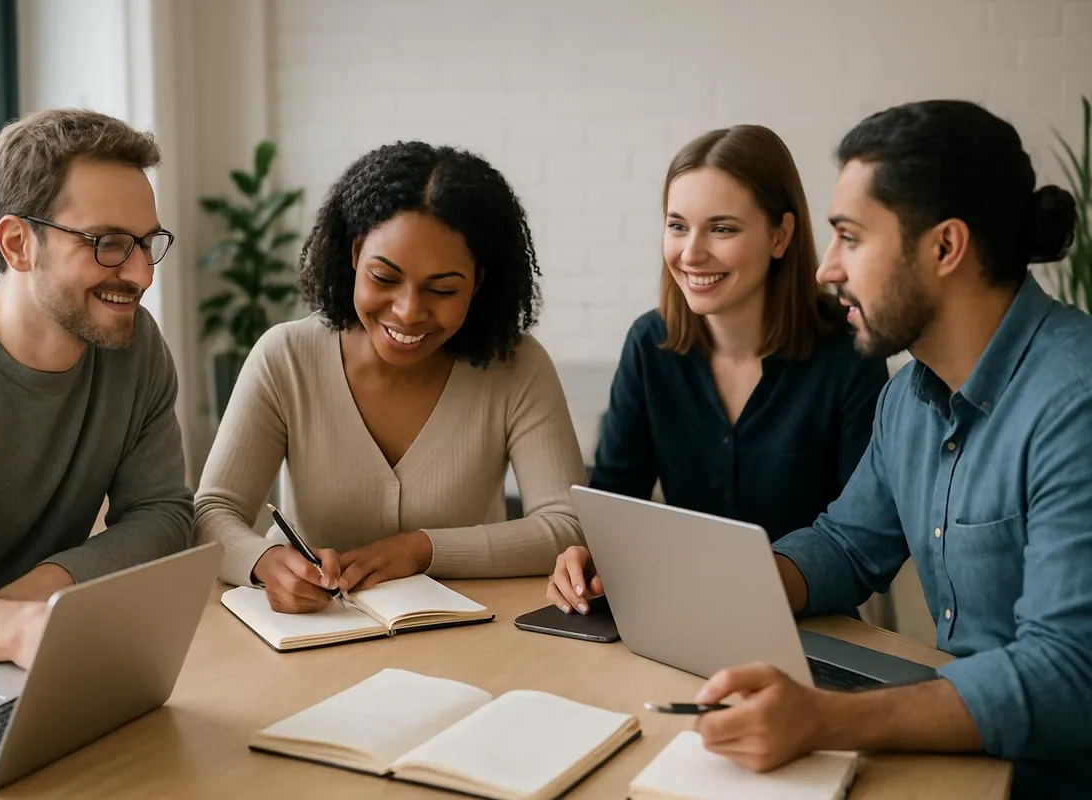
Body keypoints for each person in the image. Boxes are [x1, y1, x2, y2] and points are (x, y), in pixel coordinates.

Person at [690, 100, 1088, 799]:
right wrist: (713, 587)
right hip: (953, 753)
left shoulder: (1073, 403)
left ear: (944, 247)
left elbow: (1064, 675)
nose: (825, 269)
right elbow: (846, 545)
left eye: (849, 237)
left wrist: (825, 719)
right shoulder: (908, 398)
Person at [194, 141, 586, 613]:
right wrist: (264, 560)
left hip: (472, 641)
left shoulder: (518, 367)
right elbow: (212, 512)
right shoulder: (286, 358)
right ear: (356, 253)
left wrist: (422, 549)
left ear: (478, 283)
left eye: (442, 289)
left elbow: (566, 526)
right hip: (314, 637)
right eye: (384, 278)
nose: (408, 311)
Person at [0, 109, 193, 667]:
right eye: (107, 243)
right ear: (17, 244)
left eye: (147, 243)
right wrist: (9, 629)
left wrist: (36, 599)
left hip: (54, 650)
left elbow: (163, 514)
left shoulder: (137, 347)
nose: (142, 275)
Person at [547, 125, 888, 614]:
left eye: (722, 228)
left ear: (780, 236)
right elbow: (616, 502)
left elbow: (861, 539)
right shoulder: (650, 344)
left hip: (809, 622)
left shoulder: (850, 351)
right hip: (679, 613)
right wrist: (587, 553)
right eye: (677, 225)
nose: (690, 253)